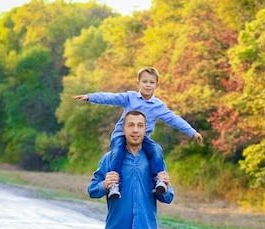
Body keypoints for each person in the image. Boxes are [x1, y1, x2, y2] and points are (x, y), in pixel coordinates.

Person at [75, 66, 202, 199]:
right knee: (117, 153)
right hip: (121, 135)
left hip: (143, 138)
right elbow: (110, 97)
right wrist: (90, 97)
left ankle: (159, 180)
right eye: (145, 82)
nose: (148, 85)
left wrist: (192, 132)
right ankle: (114, 184)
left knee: (156, 150)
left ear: (157, 85)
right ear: (138, 83)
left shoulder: (158, 106)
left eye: (151, 82)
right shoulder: (130, 98)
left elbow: (174, 119)